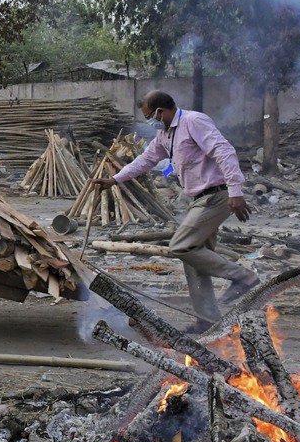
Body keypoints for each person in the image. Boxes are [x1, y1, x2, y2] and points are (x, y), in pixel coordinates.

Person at [92, 90, 259, 333]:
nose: (150, 121)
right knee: (194, 260)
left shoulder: (193, 122)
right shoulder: (165, 134)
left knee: (180, 245)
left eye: (150, 116)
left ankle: (244, 277)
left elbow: (224, 152)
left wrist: (235, 191)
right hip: (201, 198)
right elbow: (145, 160)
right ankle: (208, 322)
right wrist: (114, 180)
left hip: (217, 195)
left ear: (161, 111)